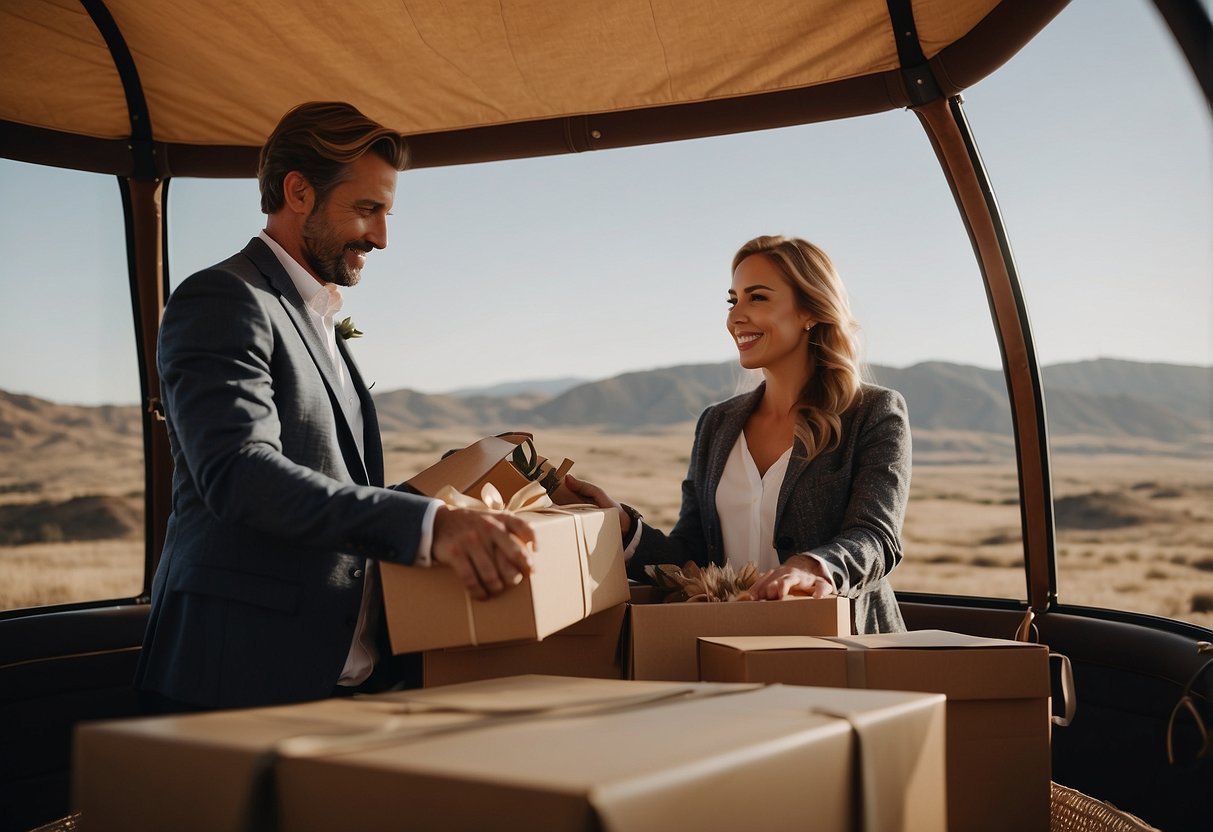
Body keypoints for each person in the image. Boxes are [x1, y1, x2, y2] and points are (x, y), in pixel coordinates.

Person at [134, 102, 536, 711]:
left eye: (385, 213)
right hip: (237, 679)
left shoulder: (317, 320)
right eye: (367, 209)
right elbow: (240, 476)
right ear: (298, 191)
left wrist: (456, 481)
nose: (381, 236)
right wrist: (431, 527)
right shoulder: (224, 298)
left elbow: (328, 488)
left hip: (336, 682)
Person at [566, 235, 910, 634]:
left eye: (757, 298)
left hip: (844, 646)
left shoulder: (874, 413)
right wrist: (624, 526)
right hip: (732, 645)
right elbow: (693, 557)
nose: (735, 317)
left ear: (810, 312)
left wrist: (812, 566)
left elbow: (877, 537)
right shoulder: (716, 424)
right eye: (733, 301)